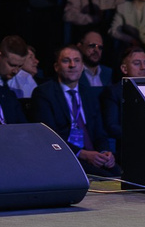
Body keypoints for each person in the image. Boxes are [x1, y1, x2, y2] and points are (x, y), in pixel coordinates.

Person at [32, 46, 117, 175]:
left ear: (82, 66)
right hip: (66, 157)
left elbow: (100, 132)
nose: (72, 65)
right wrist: (82, 154)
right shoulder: (44, 93)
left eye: (77, 61)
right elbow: (48, 136)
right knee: (107, 176)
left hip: (93, 156)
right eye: (66, 61)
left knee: (121, 173)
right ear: (56, 67)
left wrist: (105, 152)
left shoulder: (88, 93)